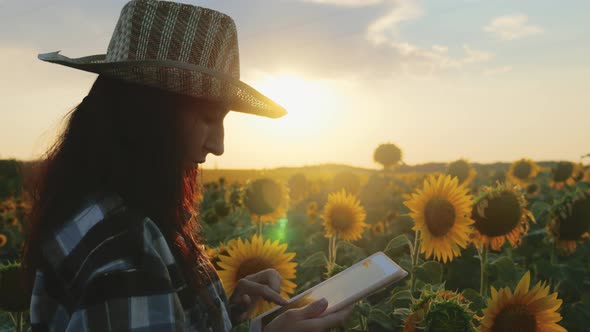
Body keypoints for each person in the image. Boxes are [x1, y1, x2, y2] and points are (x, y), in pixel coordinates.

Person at [22, 0, 355, 331]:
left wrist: (221, 307)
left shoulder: (94, 209)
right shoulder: (128, 249)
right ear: (148, 114)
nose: (218, 145)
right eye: (208, 119)